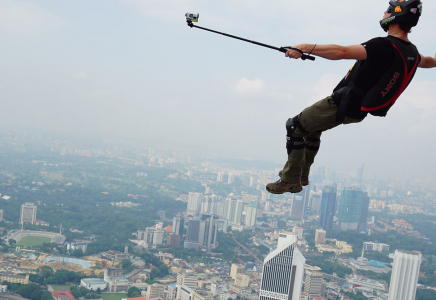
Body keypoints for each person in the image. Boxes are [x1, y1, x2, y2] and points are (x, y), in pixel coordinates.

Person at [266, 0, 436, 194]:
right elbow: (429, 61)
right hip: (356, 110)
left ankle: (290, 180)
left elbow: (342, 52)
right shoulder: (411, 52)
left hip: (342, 103)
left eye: (388, 9)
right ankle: (301, 175)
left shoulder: (382, 45)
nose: (384, 12)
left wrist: (303, 47)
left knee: (295, 126)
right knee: (312, 129)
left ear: (397, 15)